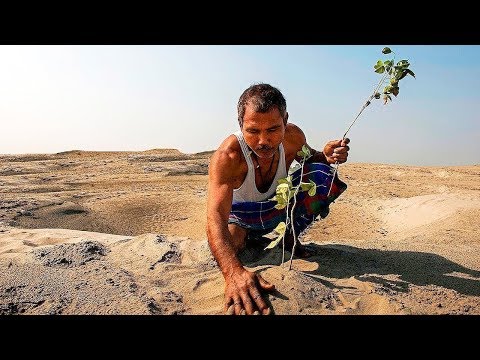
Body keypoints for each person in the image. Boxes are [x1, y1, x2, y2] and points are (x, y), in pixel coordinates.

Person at [206, 83, 350, 315]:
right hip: (242, 216)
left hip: (277, 208)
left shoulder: (293, 137)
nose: (264, 141)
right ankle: (249, 237)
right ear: (240, 124)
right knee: (232, 245)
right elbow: (214, 216)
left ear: (285, 120)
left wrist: (327, 155)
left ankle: (289, 238)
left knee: (323, 176)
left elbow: (310, 159)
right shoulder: (228, 156)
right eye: (253, 131)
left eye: (273, 129)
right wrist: (233, 273)